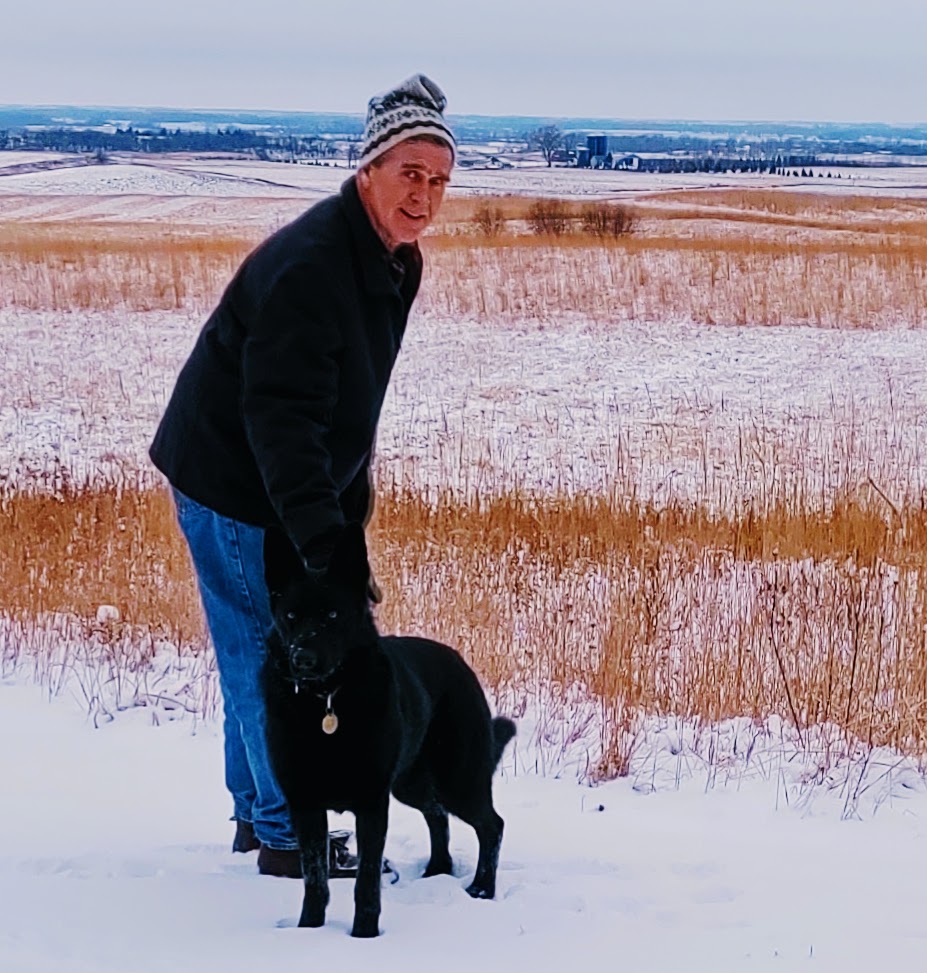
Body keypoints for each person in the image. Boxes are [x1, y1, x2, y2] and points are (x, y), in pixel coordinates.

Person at [149, 75, 455, 877]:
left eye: (437, 180)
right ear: (368, 170)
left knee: (255, 650)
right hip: (232, 480)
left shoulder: (392, 258)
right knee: (270, 656)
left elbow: (345, 401)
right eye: (409, 174)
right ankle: (290, 838)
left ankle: (259, 816)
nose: (423, 196)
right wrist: (322, 537)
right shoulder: (315, 265)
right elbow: (280, 416)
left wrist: (347, 509)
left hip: (268, 477)